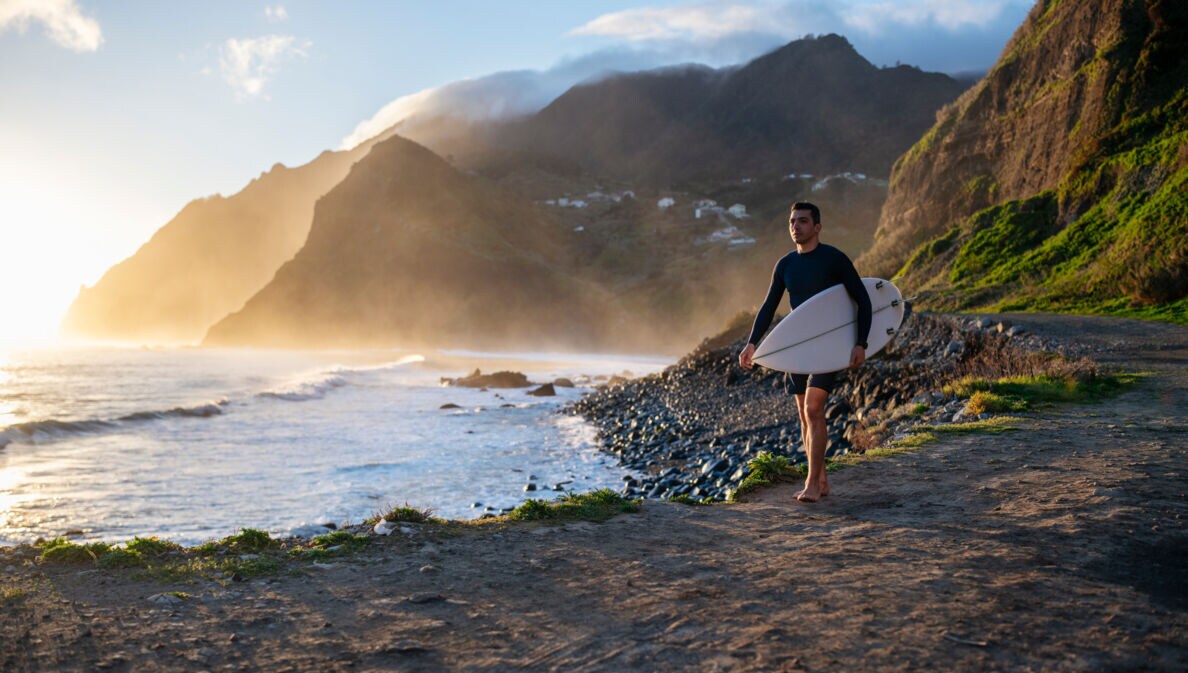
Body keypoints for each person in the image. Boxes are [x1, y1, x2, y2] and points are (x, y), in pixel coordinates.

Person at [738, 202, 871, 503]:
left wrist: (860, 343)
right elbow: (769, 305)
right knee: (803, 414)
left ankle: (811, 484)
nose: (795, 226)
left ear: (817, 227)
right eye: (792, 221)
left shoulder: (834, 259)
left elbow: (863, 299)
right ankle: (821, 479)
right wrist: (752, 342)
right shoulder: (785, 265)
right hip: (798, 345)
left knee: (813, 409)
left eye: (802, 221)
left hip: (828, 343)